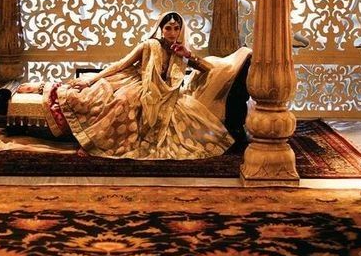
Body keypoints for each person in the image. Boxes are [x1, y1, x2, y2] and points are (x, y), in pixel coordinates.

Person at [15, 12, 250, 160]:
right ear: (161, 29)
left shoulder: (180, 51)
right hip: (139, 84)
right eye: (167, 28)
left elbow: (208, 69)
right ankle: (93, 142)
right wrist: (91, 79)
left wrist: (189, 55)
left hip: (167, 94)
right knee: (120, 101)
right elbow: (120, 65)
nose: (171, 32)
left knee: (180, 118)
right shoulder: (149, 45)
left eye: (176, 28)